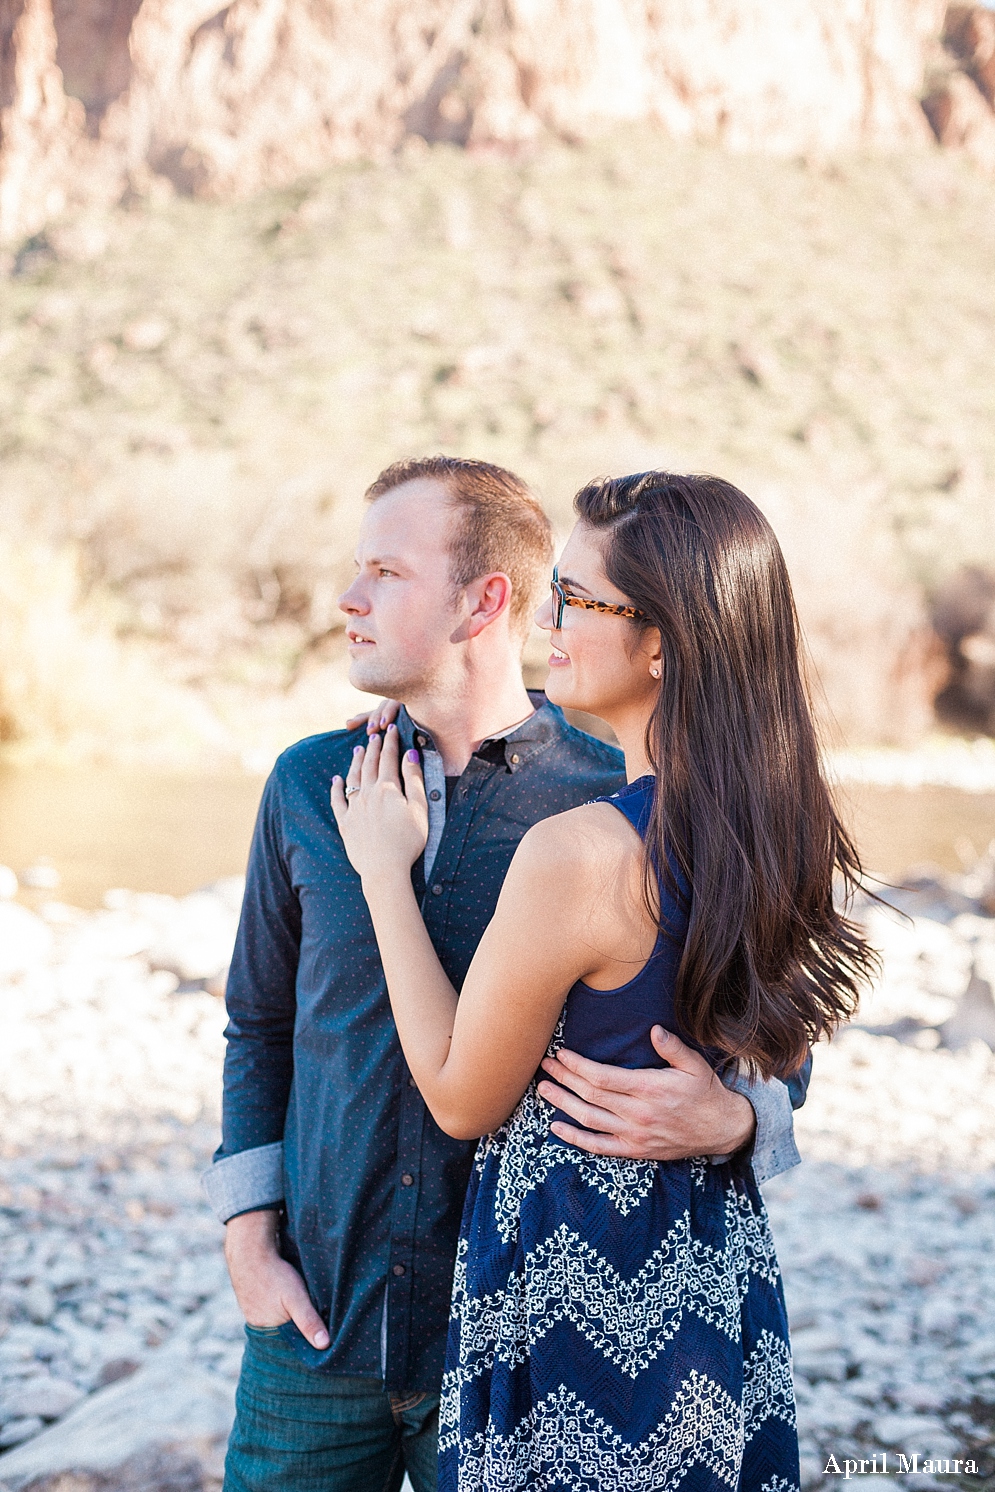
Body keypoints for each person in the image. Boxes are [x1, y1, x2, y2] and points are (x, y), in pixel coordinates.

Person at [205, 457, 809, 1492]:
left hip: (501, 1332)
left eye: (384, 572)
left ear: (483, 598)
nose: (347, 597)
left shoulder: (603, 798)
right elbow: (257, 1023)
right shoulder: (310, 783)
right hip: (317, 1326)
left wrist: (748, 1121)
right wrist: (247, 1238)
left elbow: (761, 1024)